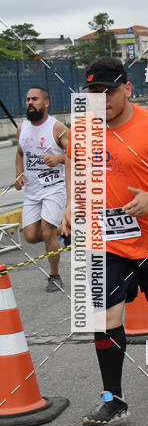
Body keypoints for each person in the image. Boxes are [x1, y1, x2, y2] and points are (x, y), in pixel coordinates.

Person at [61, 57, 148, 426]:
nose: (101, 97)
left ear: (127, 88)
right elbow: (74, 164)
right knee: (104, 316)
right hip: (107, 243)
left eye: (108, 90)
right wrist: (71, 204)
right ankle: (113, 397)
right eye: (93, 91)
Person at [14, 87, 69, 292]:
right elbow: (20, 154)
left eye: (35, 99)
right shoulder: (22, 129)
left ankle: (54, 275)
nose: (30, 103)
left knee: (47, 233)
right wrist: (19, 174)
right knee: (30, 236)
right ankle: (63, 230)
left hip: (54, 188)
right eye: (28, 99)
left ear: (46, 103)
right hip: (32, 191)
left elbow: (79, 153)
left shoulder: (57, 128)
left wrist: (60, 158)